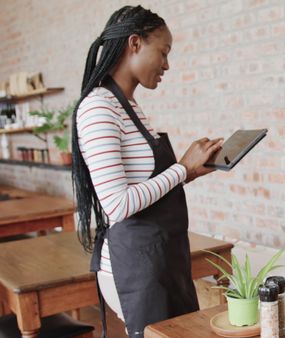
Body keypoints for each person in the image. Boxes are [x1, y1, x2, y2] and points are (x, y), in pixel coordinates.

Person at [71, 6, 223, 337]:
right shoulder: (98, 108)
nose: (167, 64)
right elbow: (116, 204)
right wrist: (182, 169)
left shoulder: (130, 107)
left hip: (163, 258)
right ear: (135, 43)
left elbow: (148, 182)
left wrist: (193, 170)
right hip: (135, 268)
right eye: (164, 52)